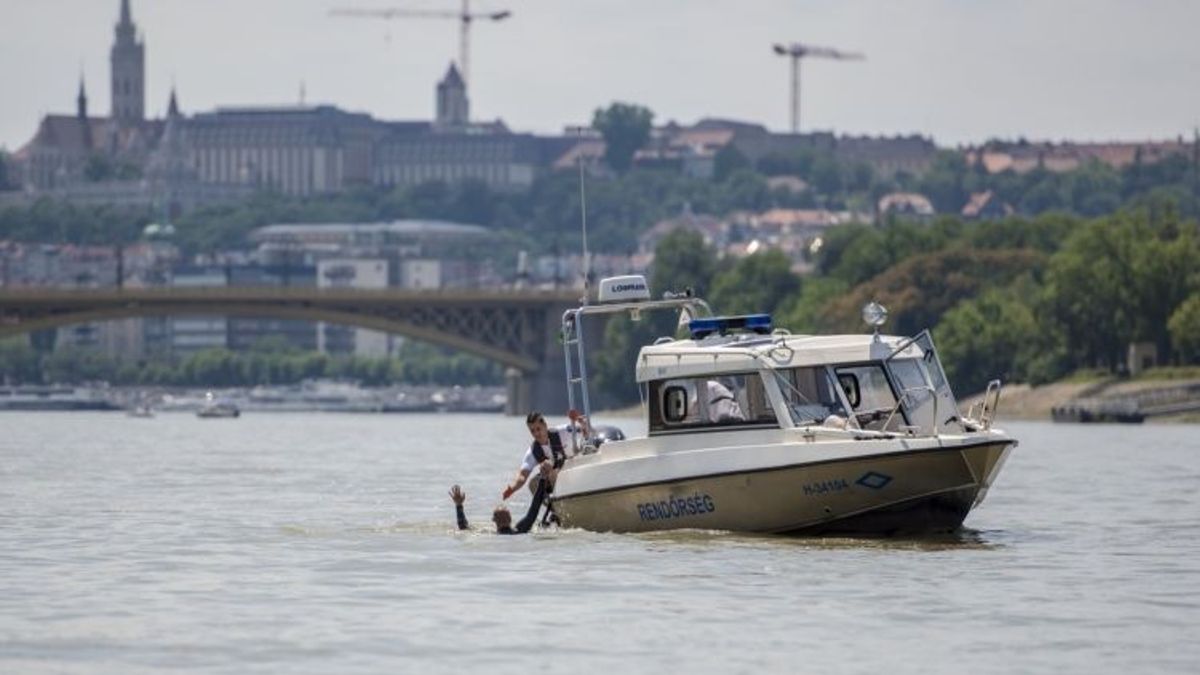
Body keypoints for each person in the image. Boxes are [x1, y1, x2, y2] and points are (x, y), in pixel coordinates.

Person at [501, 410, 589, 501]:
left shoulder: (562, 432)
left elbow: (587, 431)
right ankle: (555, 505)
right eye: (532, 431)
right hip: (557, 479)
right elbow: (522, 476)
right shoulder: (532, 452)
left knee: (549, 469)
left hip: (575, 469)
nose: (536, 434)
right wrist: (512, 489)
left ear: (545, 426)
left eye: (538, 429)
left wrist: (581, 422)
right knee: (533, 483)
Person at [450, 480, 549, 535]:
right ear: (510, 518)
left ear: (493, 520)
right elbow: (534, 509)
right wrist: (542, 480)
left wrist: (459, 505)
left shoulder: (489, 533)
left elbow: (463, 527)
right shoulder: (520, 530)